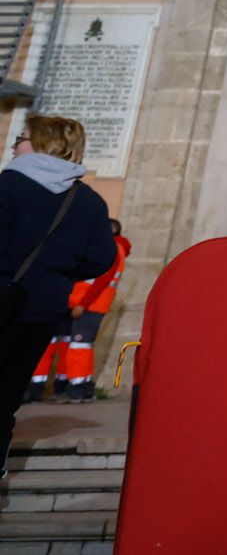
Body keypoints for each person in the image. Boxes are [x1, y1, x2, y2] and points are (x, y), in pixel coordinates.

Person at [0, 115, 117, 468]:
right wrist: (57, 273)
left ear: (41, 143)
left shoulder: (8, 185)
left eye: (21, 137)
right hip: (41, 309)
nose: (14, 144)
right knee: (6, 395)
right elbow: (101, 258)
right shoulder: (89, 202)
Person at [27, 219, 129, 404]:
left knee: (79, 345)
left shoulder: (111, 249)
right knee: (71, 344)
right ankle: (70, 386)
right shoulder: (105, 247)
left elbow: (101, 280)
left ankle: (78, 389)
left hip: (88, 305)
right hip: (76, 303)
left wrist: (82, 303)